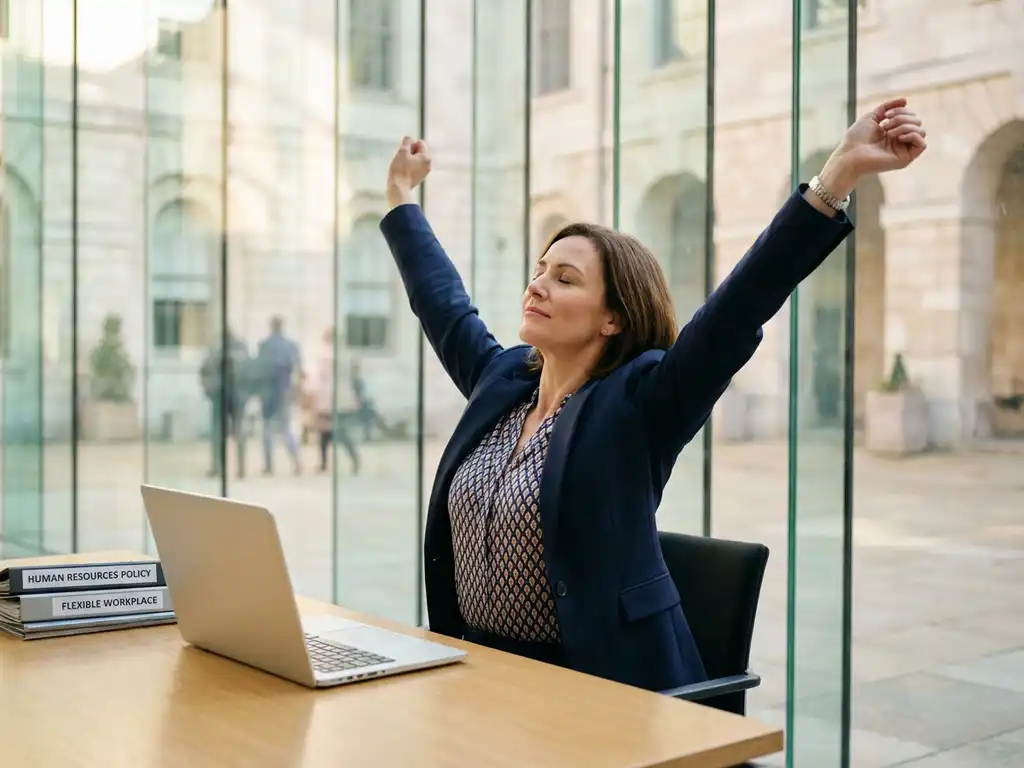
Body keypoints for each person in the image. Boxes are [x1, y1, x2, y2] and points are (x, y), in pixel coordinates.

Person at [379, 99, 927, 692]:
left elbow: (738, 307)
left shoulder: (641, 402)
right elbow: (442, 303)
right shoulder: (503, 382)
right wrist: (401, 199)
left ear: (613, 318)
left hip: (602, 690)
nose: (537, 285)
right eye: (541, 270)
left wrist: (837, 175)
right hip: (480, 677)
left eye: (565, 279)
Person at [256, 316, 303, 476]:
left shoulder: (264, 346)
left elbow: (259, 369)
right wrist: (295, 390)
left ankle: (269, 466)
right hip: (284, 390)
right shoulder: (290, 346)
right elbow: (299, 369)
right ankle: (296, 462)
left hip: (268, 391)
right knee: (286, 428)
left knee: (268, 429)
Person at [313, 327, 361, 474]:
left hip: (330, 399)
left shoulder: (327, 354)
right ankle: (347, 459)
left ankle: (326, 462)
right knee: (331, 432)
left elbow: (323, 378)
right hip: (342, 400)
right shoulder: (347, 355)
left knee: (330, 431)